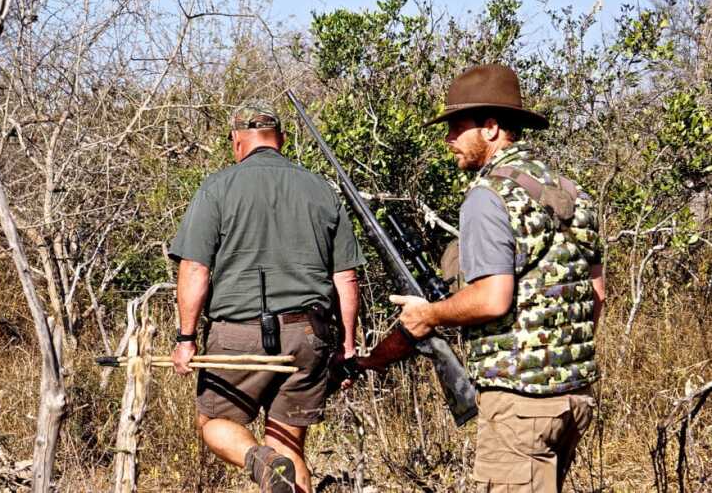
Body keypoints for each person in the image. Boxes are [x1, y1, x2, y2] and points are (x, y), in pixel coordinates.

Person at [386, 64, 605, 492]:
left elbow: (492, 298)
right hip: (575, 399)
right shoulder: (571, 191)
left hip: (520, 404)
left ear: (490, 128)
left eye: (456, 126)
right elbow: (596, 295)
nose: (449, 139)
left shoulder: (489, 195)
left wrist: (429, 315)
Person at [168, 100, 365, 493]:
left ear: (236, 142)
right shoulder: (320, 189)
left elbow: (194, 269)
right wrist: (345, 346)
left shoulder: (218, 187)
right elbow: (345, 277)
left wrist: (186, 339)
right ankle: (274, 461)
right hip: (307, 337)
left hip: (237, 336)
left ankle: (258, 459)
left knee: (215, 425)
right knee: (289, 446)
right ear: (282, 141)